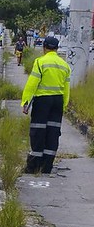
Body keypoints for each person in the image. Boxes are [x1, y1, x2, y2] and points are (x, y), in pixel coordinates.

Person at [21, 36, 71, 174]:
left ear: (44, 48)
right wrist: (64, 105)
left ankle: (33, 166)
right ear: (56, 48)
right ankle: (47, 167)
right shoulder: (64, 65)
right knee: (53, 132)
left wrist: (26, 102)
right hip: (58, 102)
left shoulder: (40, 62)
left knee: (38, 131)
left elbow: (32, 84)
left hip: (43, 101)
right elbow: (66, 89)